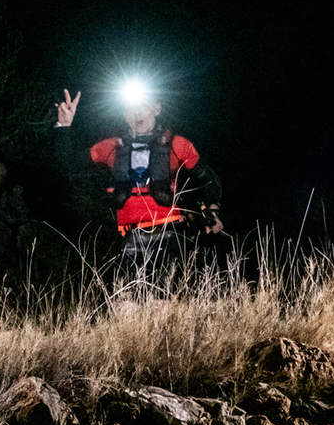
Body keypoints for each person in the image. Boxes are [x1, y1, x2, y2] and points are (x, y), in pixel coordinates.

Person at [53, 84, 224, 287]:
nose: (137, 114)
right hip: (129, 239)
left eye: (143, 106)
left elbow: (208, 179)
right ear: (124, 114)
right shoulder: (111, 147)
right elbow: (68, 164)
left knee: (167, 297)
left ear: (156, 108)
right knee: (129, 301)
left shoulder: (177, 144)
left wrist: (212, 211)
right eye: (131, 108)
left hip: (169, 236)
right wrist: (63, 126)